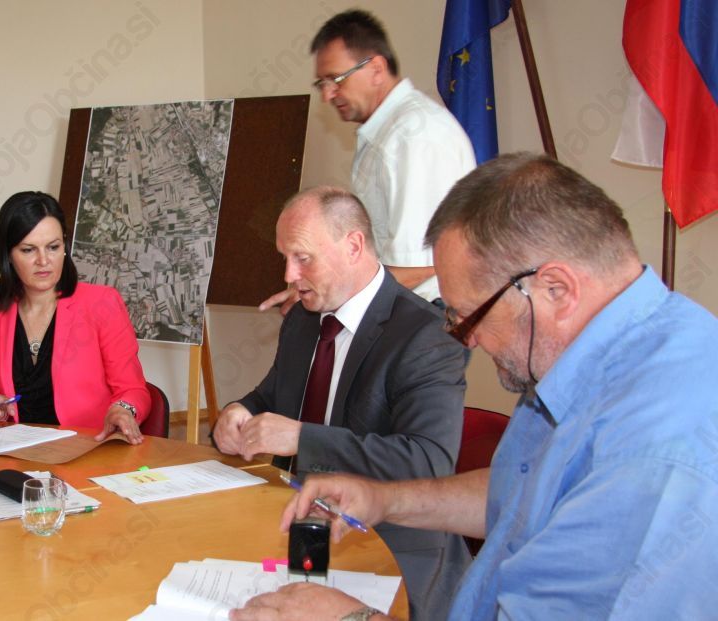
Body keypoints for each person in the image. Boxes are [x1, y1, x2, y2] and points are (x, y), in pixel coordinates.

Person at [232, 153, 718, 621]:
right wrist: (386, 500)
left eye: (469, 316)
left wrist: (352, 618)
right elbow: (521, 489)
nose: (466, 339)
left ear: (556, 289)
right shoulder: (591, 355)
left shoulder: (656, 455)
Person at [213, 186, 468, 621]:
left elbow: (428, 461)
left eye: (302, 258)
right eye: (284, 258)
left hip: (392, 541)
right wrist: (239, 411)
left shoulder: (426, 335)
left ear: (353, 246)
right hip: (302, 527)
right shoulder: (302, 319)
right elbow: (272, 396)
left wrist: (302, 438)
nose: (289, 275)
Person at [262, 9, 475, 314]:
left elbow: (417, 270)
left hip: (426, 318)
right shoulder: (387, 131)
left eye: (336, 79)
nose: (328, 95)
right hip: (399, 312)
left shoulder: (414, 136)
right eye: (322, 83)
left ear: (376, 68)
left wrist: (330, 292)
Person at [0, 191, 150, 443]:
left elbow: (133, 389)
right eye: (28, 250)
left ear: (64, 247)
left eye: (53, 247)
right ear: (8, 255)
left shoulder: (102, 303)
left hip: (86, 446)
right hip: (15, 449)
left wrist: (124, 409)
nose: (43, 260)